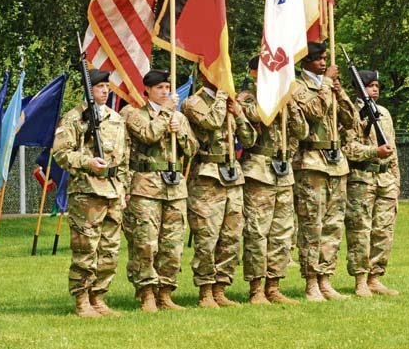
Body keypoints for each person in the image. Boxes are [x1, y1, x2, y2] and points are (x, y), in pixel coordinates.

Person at [52, 69, 130, 318]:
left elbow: (124, 159)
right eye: (99, 87)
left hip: (113, 192)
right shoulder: (74, 118)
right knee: (86, 249)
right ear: (89, 90)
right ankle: (82, 300)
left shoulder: (116, 119)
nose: (105, 90)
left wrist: (124, 188)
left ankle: (99, 297)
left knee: (109, 250)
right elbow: (61, 153)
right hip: (87, 192)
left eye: (107, 86)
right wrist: (87, 162)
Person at [121, 69, 199, 312]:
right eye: (160, 89)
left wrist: (182, 132)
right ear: (148, 91)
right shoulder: (134, 114)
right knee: (145, 243)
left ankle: (165, 292)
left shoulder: (178, 117)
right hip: (146, 186)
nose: (165, 92)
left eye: (167, 88)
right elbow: (148, 135)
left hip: (174, 187)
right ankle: (146, 293)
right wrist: (166, 113)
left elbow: (192, 150)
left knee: (172, 244)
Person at [182, 71, 257, 308]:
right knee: (207, 237)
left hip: (232, 175)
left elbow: (249, 141)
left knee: (231, 236)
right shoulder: (193, 102)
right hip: (207, 177)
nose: (225, 77)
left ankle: (220, 288)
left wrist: (240, 115)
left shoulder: (229, 103)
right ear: (206, 75)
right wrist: (222, 99)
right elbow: (212, 122)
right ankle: (205, 290)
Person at [237, 56, 308, 305]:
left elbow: (302, 131)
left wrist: (290, 104)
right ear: (256, 73)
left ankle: (274, 285)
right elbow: (255, 118)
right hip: (259, 171)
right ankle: (256, 288)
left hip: (283, 172)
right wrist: (273, 98)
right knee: (257, 232)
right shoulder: (246, 98)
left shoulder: (285, 98)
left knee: (281, 233)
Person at [292, 41, 357, 302]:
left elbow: (351, 120)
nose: (323, 62)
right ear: (305, 61)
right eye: (318, 57)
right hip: (312, 161)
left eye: (324, 58)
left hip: (336, 162)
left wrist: (340, 93)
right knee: (312, 225)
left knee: (332, 225)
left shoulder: (331, 86)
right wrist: (326, 84)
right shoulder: (298, 86)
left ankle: (326, 279)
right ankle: (311, 282)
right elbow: (314, 113)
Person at [342, 69, 400, 297]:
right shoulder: (351, 113)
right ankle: (361, 280)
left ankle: (376, 277)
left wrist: (396, 180)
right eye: (370, 85)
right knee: (360, 231)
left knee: (383, 230)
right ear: (358, 88)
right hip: (362, 179)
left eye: (377, 85)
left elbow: (393, 151)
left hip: (385, 179)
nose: (375, 89)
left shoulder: (384, 114)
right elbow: (348, 148)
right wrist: (373, 151)